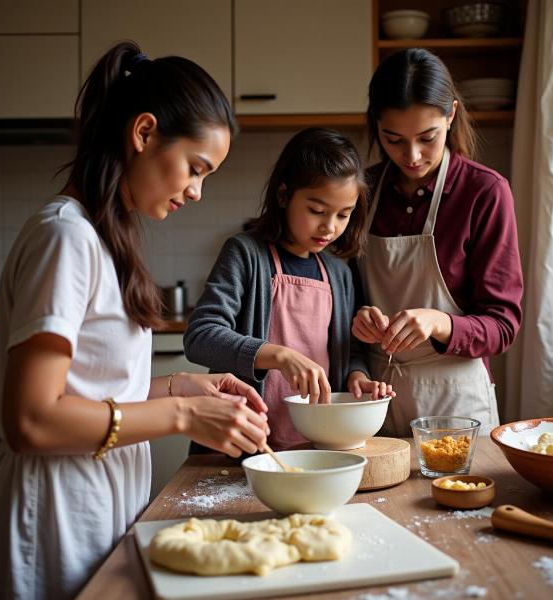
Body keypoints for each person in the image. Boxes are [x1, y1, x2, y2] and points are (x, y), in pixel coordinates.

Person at [0, 41, 269, 600]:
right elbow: (32, 419)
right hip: (52, 513)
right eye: (194, 168)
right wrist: (182, 415)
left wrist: (183, 385)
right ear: (144, 133)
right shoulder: (65, 237)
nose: (196, 191)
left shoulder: (103, 237)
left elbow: (90, 389)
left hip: (90, 499)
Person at [184, 127, 394, 452]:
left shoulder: (339, 272)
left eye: (343, 215)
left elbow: (349, 351)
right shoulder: (245, 253)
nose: (330, 227)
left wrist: (356, 378)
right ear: (283, 195)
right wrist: (280, 356)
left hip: (316, 445)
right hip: (239, 444)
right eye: (317, 211)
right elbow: (200, 337)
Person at [351, 48, 523, 436]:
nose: (411, 156)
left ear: (452, 115)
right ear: (375, 124)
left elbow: (504, 324)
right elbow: (340, 300)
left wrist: (439, 322)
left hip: (456, 403)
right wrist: (358, 319)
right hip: (374, 398)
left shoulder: (484, 192)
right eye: (392, 139)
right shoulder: (362, 191)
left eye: (427, 138)